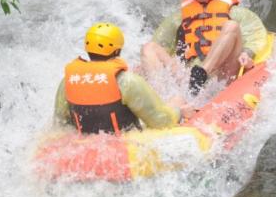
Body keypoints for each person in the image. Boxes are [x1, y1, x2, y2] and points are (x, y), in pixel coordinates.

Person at [140, 0, 268, 95]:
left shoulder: (236, 13)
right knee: (149, 47)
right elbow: (161, 45)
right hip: (188, 77)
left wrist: (247, 54)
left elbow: (256, 36)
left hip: (222, 73)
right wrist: (144, 67)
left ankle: (202, 73)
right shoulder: (178, 18)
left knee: (232, 26)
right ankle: (162, 99)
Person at [53, 22, 192, 135]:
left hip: (89, 144)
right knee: (177, 99)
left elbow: (60, 123)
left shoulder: (67, 81)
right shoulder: (127, 81)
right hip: (126, 145)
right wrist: (180, 112)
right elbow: (159, 121)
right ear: (117, 50)